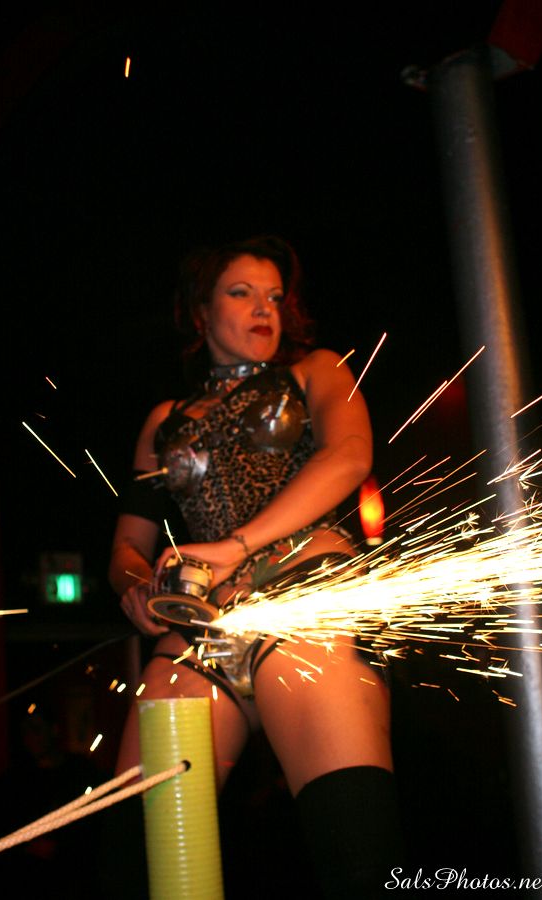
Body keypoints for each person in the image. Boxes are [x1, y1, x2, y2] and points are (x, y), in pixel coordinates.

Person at [108, 234, 402, 897]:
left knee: (355, 855)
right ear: (199, 311)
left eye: (273, 295)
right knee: (142, 861)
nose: (264, 307)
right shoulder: (164, 422)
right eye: (241, 293)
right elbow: (127, 545)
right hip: (204, 624)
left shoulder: (316, 370)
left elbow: (349, 457)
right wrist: (135, 587)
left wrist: (232, 547)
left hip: (305, 596)